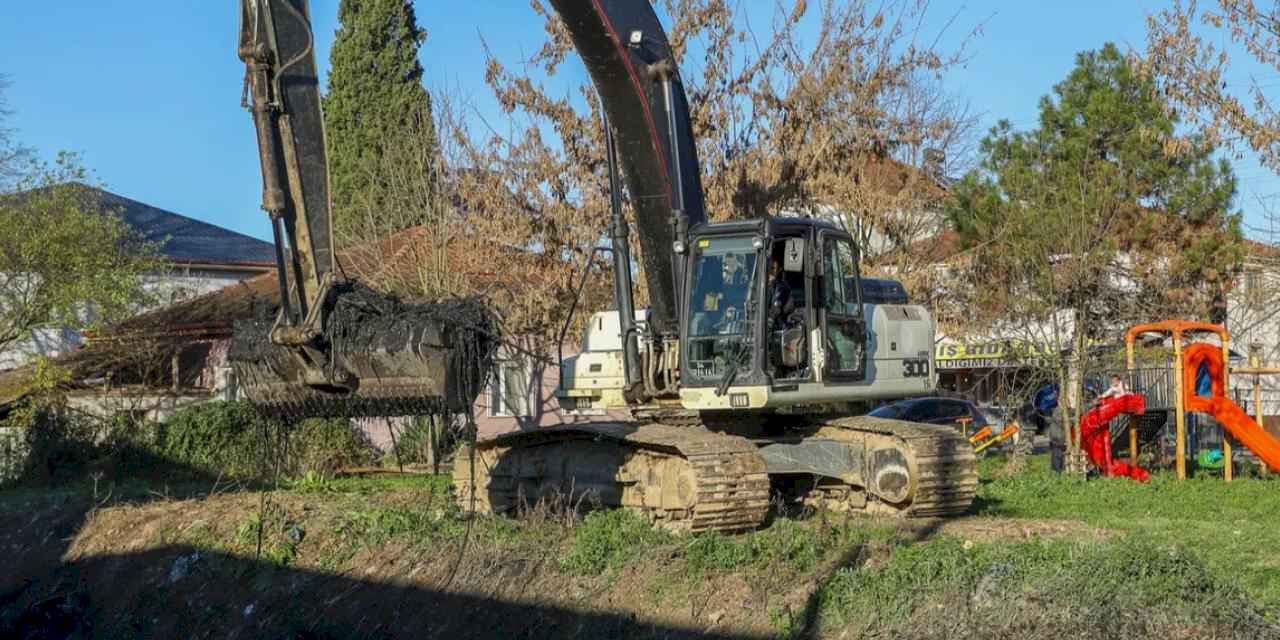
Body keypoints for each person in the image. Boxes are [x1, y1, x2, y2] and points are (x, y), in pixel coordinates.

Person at [768, 255, 794, 331]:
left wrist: (769, 318)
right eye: (769, 268)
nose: (770, 271)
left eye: (773, 268)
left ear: (779, 270)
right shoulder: (761, 286)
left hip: (778, 328)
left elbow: (776, 309)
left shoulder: (782, 287)